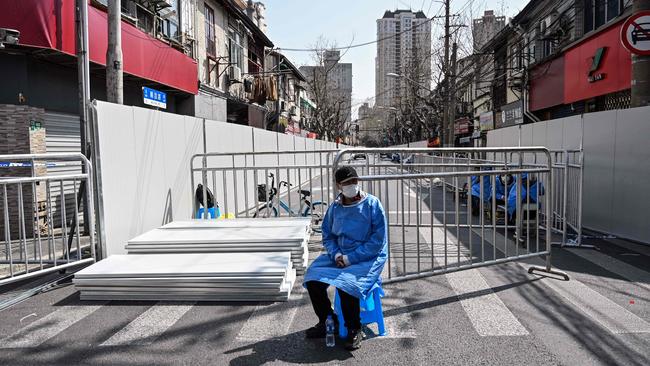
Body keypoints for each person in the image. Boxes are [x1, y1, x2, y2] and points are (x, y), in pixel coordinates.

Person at [302, 166, 388, 351]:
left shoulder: (373, 204)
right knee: (312, 278)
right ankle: (327, 321)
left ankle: (354, 328)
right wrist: (337, 254)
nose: (352, 185)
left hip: (368, 257)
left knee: (346, 282)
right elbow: (328, 234)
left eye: (354, 181)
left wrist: (351, 259)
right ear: (339, 185)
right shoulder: (335, 207)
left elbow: (377, 242)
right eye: (347, 183)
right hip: (340, 254)